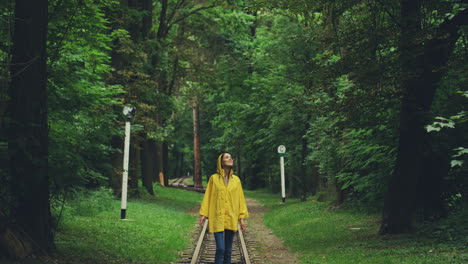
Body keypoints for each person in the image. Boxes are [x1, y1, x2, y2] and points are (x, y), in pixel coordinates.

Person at [198, 152, 249, 264]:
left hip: (231, 217)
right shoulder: (214, 179)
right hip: (217, 217)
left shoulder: (236, 180)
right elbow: (208, 196)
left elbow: (240, 199)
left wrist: (241, 218)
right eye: (227, 157)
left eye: (231, 157)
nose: (230, 159)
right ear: (221, 162)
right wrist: (203, 214)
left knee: (228, 250)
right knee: (221, 249)